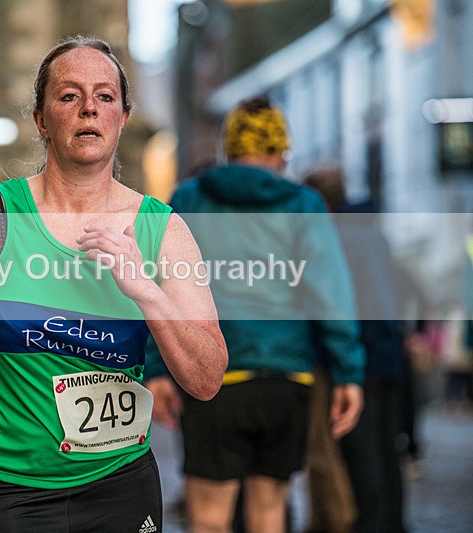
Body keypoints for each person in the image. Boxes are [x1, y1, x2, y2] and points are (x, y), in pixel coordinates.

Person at [0, 36, 228, 533]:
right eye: (68, 96)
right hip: (2, 484)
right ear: (41, 118)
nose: (88, 110)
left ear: (122, 117)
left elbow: (206, 380)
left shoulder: (163, 230)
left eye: (104, 97)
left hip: (119, 485)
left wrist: (144, 289)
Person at [145, 97, 366, 533]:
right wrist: (348, 374)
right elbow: (332, 297)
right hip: (288, 379)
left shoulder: (189, 198)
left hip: (214, 382)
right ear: (281, 151)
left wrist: (157, 367)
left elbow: (161, 288)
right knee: (269, 515)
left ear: (229, 149)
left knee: (208, 520)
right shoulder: (304, 204)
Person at [305, 167, 409, 533]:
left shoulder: (335, 235)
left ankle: (371, 523)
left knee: (360, 451)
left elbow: (332, 303)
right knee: (386, 447)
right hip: (390, 352)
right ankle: (393, 522)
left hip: (358, 354)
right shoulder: (373, 231)